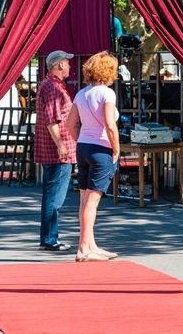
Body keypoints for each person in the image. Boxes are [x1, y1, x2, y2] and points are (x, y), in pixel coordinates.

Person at [66, 51, 121, 262]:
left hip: (83, 147)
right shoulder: (107, 94)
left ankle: (90, 245)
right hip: (101, 148)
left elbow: (70, 124)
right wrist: (116, 149)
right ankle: (83, 249)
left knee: (84, 200)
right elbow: (110, 124)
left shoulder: (81, 94)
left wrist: (81, 139)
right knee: (92, 201)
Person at [34, 50, 76, 251]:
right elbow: (53, 120)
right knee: (54, 197)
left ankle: (48, 238)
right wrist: (61, 145)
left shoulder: (50, 85)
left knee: (52, 195)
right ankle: (50, 239)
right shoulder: (52, 87)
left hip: (54, 150)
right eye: (67, 63)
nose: (69, 66)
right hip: (58, 152)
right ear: (59, 65)